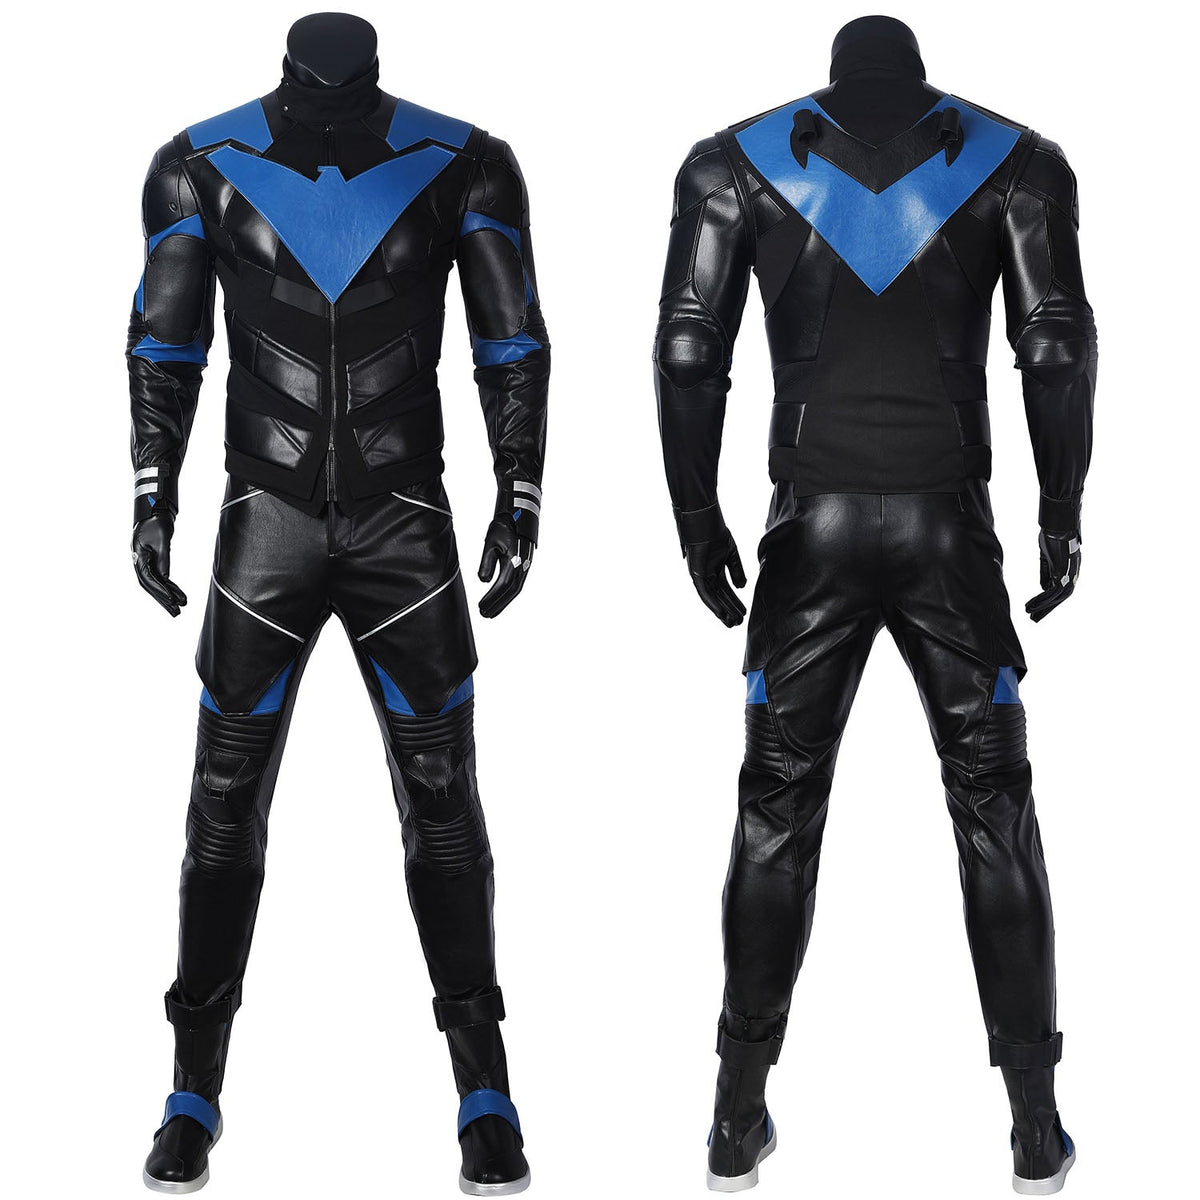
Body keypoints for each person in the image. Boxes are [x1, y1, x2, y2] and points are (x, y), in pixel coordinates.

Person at [653, 14, 1094, 1195]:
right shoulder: (1017, 162)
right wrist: (1061, 512)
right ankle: (1036, 1125)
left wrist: (696, 518)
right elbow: (1055, 346)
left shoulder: (734, 164)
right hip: (952, 529)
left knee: (775, 812)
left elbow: (689, 350)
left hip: (810, 531)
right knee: (995, 809)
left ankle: (733, 1119)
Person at [129, 13, 546, 1194]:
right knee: (224, 809)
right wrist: (152, 493)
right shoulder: (197, 164)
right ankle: (191, 1092)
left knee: (443, 804)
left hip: (403, 523)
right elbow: (165, 345)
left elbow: (512, 342)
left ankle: (485, 1094)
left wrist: (521, 491)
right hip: (264, 522)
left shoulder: (466, 161)